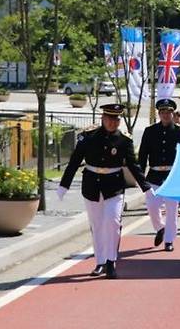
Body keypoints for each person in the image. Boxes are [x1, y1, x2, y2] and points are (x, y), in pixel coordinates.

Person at [57, 104, 153, 279]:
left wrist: (145, 187)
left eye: (116, 119)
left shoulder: (124, 141)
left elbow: (133, 165)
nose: (113, 122)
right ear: (103, 118)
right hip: (91, 184)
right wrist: (64, 185)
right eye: (110, 118)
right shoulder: (88, 137)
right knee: (97, 225)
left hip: (114, 186)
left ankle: (111, 261)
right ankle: (100, 261)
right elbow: (74, 161)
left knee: (113, 221)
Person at [138, 99, 180, 252]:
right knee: (152, 207)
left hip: (172, 176)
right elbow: (142, 155)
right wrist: (140, 177)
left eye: (169, 112)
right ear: (159, 114)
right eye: (163, 112)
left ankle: (169, 240)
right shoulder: (150, 131)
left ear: (173, 114)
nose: (166, 115)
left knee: (172, 210)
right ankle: (160, 228)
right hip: (154, 175)